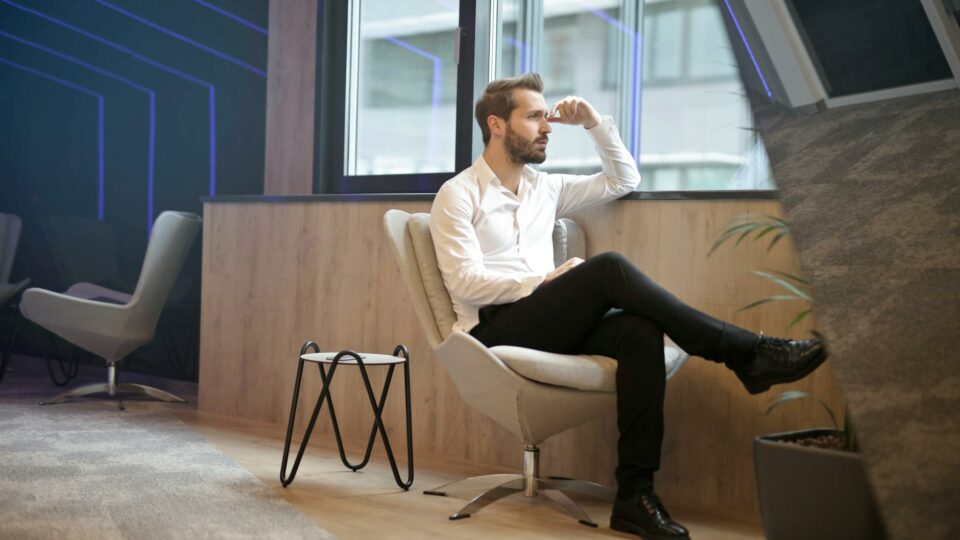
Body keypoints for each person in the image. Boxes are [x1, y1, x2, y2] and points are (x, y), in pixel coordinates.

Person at [429, 73, 827, 539]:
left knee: (639, 330)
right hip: (492, 331)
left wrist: (595, 124)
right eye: (534, 116)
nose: (547, 126)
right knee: (608, 268)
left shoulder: (546, 188)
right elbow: (465, 282)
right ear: (496, 125)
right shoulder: (457, 194)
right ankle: (746, 352)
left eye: (546, 116)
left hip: (543, 322)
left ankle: (634, 497)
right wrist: (546, 280)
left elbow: (624, 178)